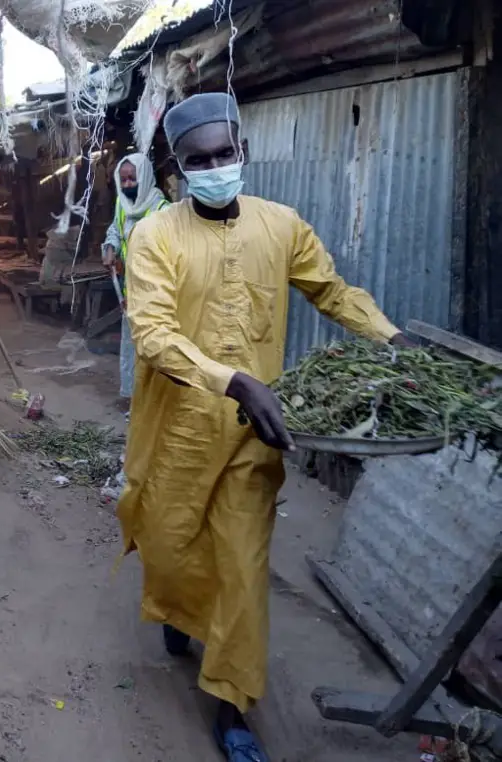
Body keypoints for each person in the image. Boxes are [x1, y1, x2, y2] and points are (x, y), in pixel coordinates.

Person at [117, 92, 413, 762]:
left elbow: (331, 291)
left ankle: (230, 705)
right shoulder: (154, 236)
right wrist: (233, 381)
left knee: (243, 572)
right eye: (201, 159)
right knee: (168, 542)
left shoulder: (281, 225)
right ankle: (176, 611)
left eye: (226, 153)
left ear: (243, 151)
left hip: (257, 435)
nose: (217, 166)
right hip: (177, 433)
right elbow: (155, 336)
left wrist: (390, 337)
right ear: (179, 169)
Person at [102, 153, 169, 404]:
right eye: (124, 179)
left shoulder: (163, 210)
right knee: (131, 348)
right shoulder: (123, 205)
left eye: (133, 178)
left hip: (155, 298)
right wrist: (110, 247)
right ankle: (134, 398)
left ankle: (154, 402)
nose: (128, 184)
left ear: (145, 177)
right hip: (129, 294)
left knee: (153, 349)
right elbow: (115, 231)